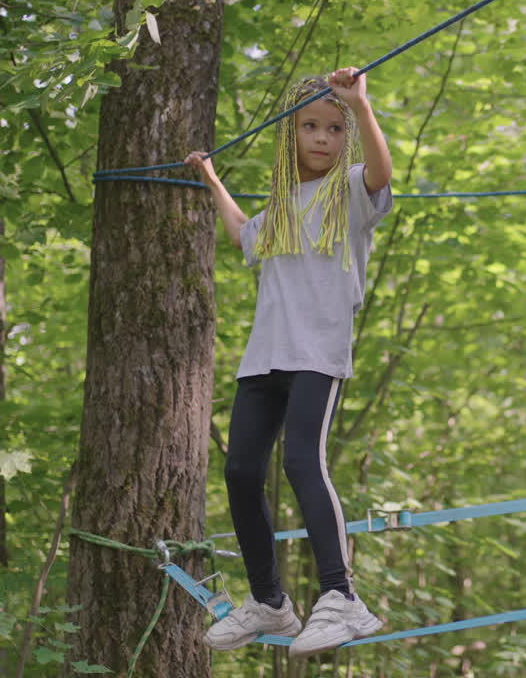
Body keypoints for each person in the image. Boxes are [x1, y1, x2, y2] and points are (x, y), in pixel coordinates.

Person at [185, 67, 394, 658]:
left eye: (333, 128)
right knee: (241, 472)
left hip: (317, 352)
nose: (323, 138)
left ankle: (342, 598)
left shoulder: (350, 190)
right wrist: (209, 176)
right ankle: (270, 604)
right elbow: (239, 234)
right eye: (310, 127)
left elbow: (382, 173)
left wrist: (360, 108)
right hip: (265, 355)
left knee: (304, 460)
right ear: (291, 134)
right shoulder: (281, 205)